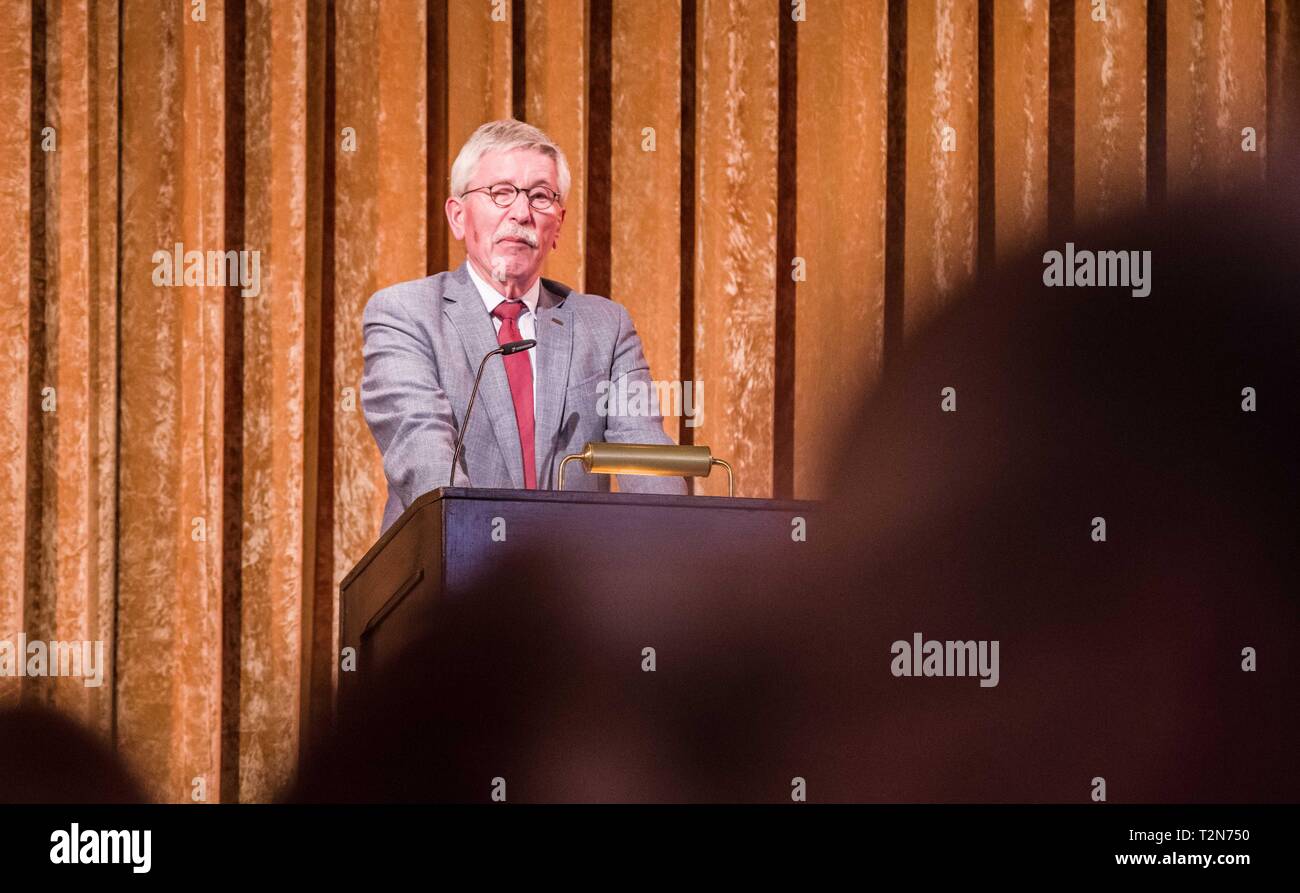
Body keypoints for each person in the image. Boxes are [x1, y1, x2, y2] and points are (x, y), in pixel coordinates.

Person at [362, 119, 686, 533]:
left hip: (572, 579)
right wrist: (484, 548)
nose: (521, 213)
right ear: (458, 217)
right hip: (452, 576)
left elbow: (645, 453)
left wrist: (677, 545)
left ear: (558, 226)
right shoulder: (406, 313)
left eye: (539, 197)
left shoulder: (604, 327)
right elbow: (421, 450)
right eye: (500, 193)